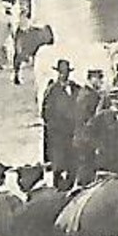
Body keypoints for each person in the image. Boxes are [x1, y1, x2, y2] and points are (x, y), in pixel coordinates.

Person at [40, 60, 80, 191]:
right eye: (61, 72)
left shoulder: (75, 89)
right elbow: (46, 115)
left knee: (73, 167)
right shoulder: (52, 91)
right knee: (58, 167)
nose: (64, 75)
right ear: (57, 73)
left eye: (66, 72)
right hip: (58, 137)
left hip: (72, 135)